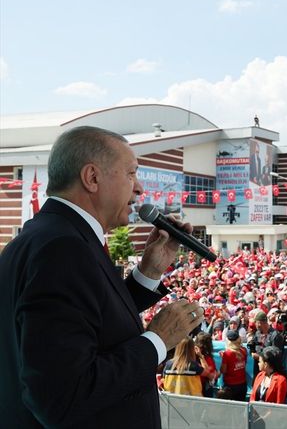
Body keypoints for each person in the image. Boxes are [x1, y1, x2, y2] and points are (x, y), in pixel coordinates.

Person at [0, 126, 203, 428]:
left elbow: (88, 323)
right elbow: (62, 397)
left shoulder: (46, 236)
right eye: (131, 173)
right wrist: (157, 341)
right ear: (92, 177)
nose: (140, 189)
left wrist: (148, 272)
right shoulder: (63, 249)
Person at [218, 329, 248, 401]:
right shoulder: (244, 350)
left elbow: (223, 370)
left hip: (230, 386)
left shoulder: (227, 354)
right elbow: (244, 364)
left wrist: (223, 358)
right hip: (242, 384)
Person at [194, 332, 219, 397]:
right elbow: (210, 375)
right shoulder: (207, 359)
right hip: (202, 389)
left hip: (195, 388)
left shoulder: (192, 355)